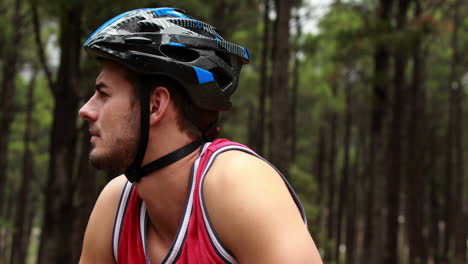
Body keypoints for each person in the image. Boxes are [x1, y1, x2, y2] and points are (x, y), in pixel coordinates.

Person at [78, 7, 323, 264]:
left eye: (104, 94)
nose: (86, 110)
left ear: (155, 105)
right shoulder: (116, 205)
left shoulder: (237, 184)